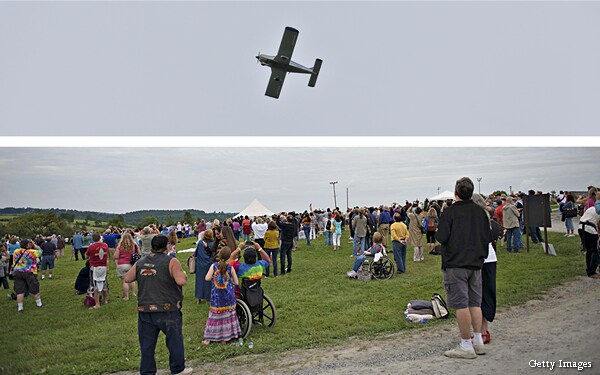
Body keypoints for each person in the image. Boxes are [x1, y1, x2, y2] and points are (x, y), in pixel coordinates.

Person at [436, 177, 491, 359]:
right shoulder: (480, 212)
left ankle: (466, 344)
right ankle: (478, 340)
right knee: (475, 302)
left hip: (456, 263)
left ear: (456, 193)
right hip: (476, 263)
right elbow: (487, 236)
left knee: (461, 304)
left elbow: (441, 237)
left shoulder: (450, 213)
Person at [123, 235, 192, 375]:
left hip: (145, 309)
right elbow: (181, 281)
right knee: (174, 340)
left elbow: (127, 278)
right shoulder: (172, 261)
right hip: (168, 309)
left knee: (147, 345)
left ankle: (147, 371)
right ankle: (178, 369)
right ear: (166, 246)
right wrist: (184, 274)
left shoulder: (141, 261)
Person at [202, 246, 242, 345]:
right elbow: (236, 282)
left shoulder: (214, 266)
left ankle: (210, 338)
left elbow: (207, 278)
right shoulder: (230, 267)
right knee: (228, 316)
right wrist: (230, 281)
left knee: (215, 316)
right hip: (228, 297)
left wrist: (214, 278)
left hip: (217, 297)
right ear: (229, 257)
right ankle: (226, 337)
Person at [12, 239, 43, 312]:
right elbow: (40, 251)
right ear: (27, 244)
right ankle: (39, 303)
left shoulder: (16, 251)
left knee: (19, 290)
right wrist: (34, 244)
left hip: (17, 272)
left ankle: (20, 307)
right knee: (34, 288)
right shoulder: (32, 252)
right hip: (29, 272)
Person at [85, 232, 109, 309]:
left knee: (95, 285)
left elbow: (86, 255)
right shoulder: (105, 245)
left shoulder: (91, 247)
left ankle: (97, 304)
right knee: (104, 283)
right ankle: (105, 300)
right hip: (104, 266)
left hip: (95, 267)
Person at [114, 233, 140, 301]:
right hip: (131, 264)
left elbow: (116, 256)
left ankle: (126, 296)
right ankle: (133, 293)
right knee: (131, 280)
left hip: (122, 264)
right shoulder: (134, 246)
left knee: (124, 281)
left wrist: (117, 265)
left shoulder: (120, 247)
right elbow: (139, 253)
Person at [578, 205, 600, 279]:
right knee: (595, 251)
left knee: (589, 250)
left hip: (581, 228)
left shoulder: (592, 208)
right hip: (590, 229)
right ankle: (592, 272)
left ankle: (589, 270)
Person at [194, 232, 213, 303]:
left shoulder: (200, 243)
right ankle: (208, 298)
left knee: (199, 281)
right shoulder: (212, 244)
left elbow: (196, 253)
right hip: (209, 264)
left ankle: (198, 298)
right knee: (208, 282)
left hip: (200, 264)